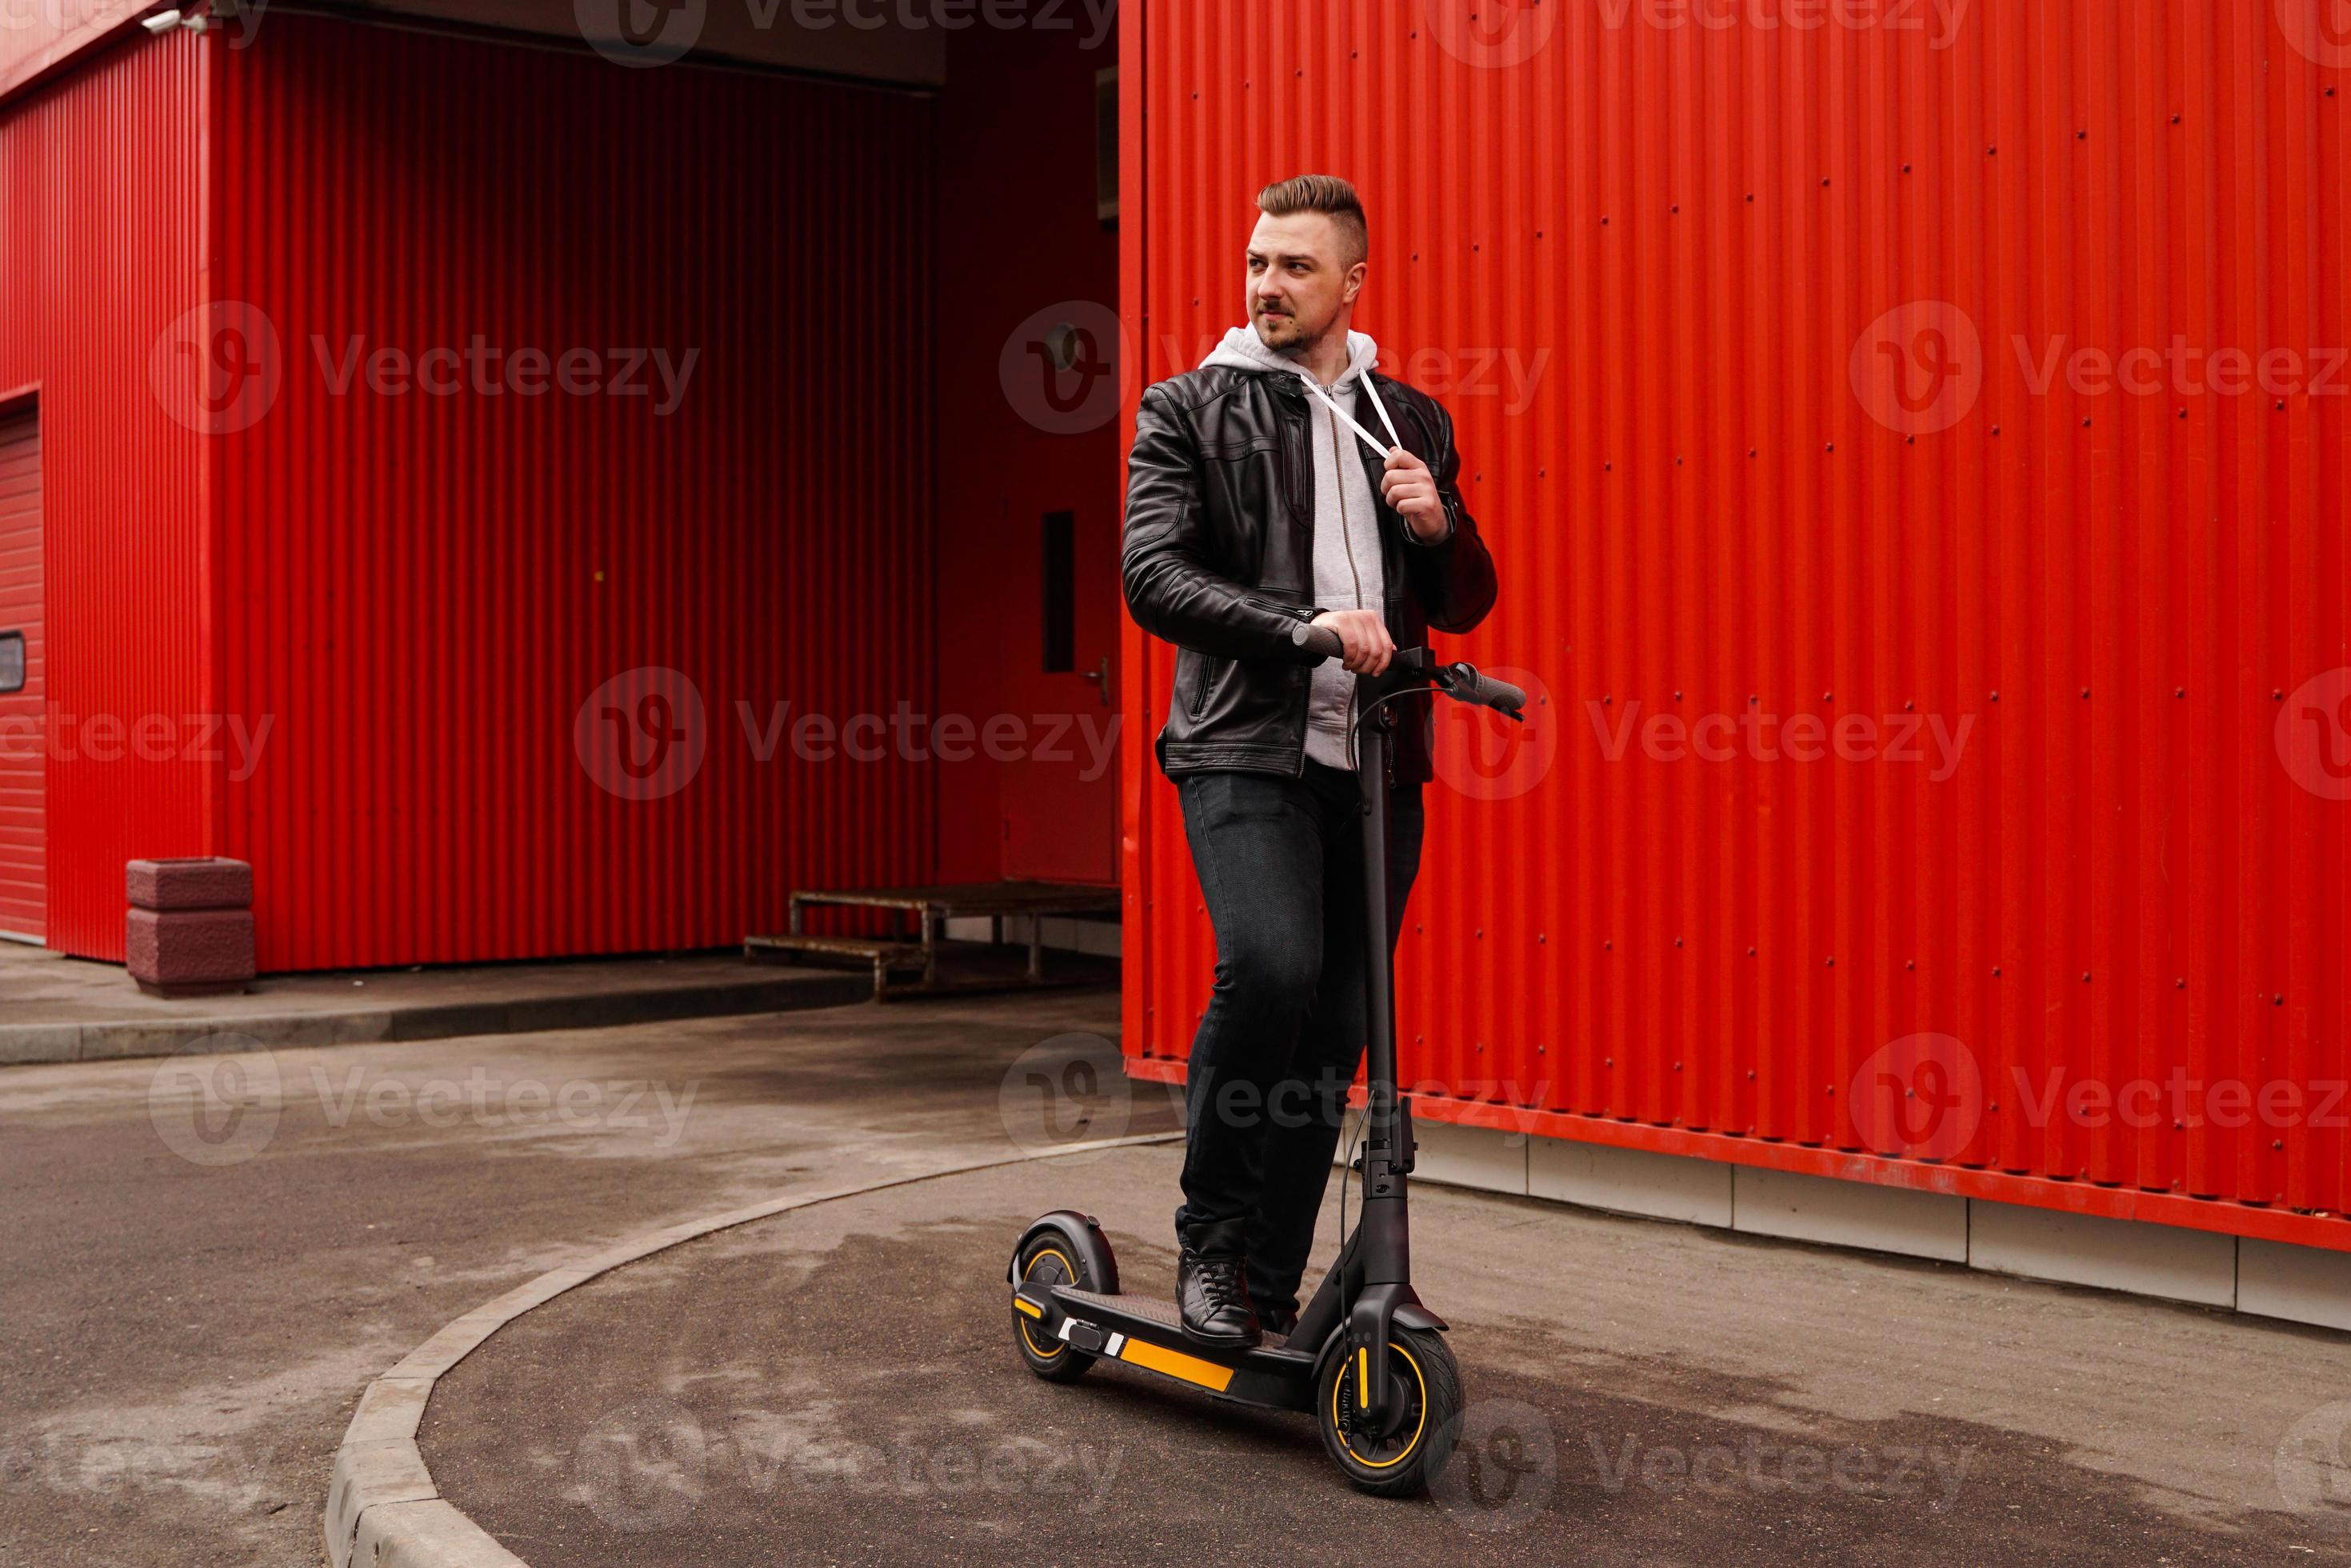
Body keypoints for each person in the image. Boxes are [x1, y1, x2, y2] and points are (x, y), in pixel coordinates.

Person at [1120, 174, 1499, 1347]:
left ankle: (1266, 1284)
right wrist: (1303, 632)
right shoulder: (1188, 408)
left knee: (1338, 1027)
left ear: (1354, 282)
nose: (1266, 285)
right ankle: (1210, 1250)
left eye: (1292, 266)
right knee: (1272, 971)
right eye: (1256, 264)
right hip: (1246, 746)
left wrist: (1439, 526)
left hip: (1378, 760)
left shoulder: (1411, 419)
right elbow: (1154, 577)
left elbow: (1469, 602)